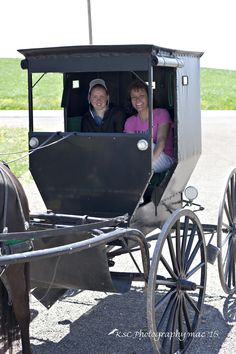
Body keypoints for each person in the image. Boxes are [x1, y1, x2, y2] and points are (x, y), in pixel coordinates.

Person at [124, 80, 174, 173]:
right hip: (140, 158)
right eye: (133, 97)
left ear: (149, 97)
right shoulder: (130, 122)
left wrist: (148, 163)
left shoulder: (161, 114)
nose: (138, 100)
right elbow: (130, 147)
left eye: (142, 96)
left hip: (162, 157)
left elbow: (161, 141)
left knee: (145, 144)